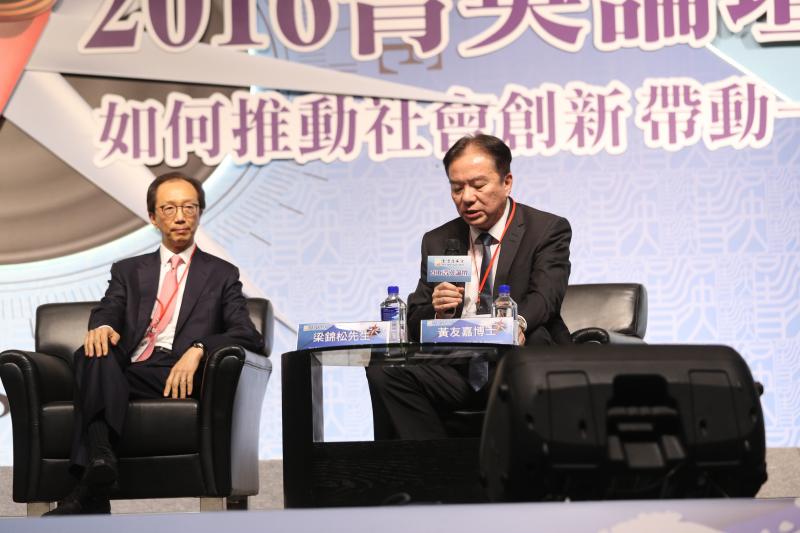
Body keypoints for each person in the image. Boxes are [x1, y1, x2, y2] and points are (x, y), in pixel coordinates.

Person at [46, 172, 264, 515]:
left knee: (94, 377)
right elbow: (110, 308)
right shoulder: (128, 271)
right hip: (130, 367)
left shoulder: (221, 274)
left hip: (173, 373)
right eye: (169, 208)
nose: (180, 217)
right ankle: (101, 460)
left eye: (189, 207)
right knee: (92, 353)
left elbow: (248, 333)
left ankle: (92, 484)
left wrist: (199, 348)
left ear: (199, 212)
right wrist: (103, 327)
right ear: (153, 217)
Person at [366, 134, 572, 440]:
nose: (467, 198)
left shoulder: (545, 230)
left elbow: (546, 297)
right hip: (456, 366)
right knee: (385, 369)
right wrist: (437, 311)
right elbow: (415, 317)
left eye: (478, 185)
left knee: (532, 348)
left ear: (506, 182)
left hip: (515, 358)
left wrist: (514, 323)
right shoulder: (438, 240)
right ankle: (435, 465)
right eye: (457, 188)